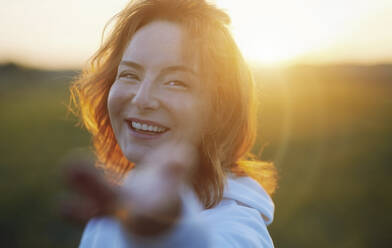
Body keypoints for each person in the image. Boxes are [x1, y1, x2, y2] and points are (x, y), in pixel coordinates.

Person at [67, 0, 277, 247]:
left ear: (219, 109)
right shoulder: (117, 206)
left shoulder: (237, 226)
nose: (142, 98)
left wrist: (164, 231)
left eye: (176, 82)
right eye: (129, 74)